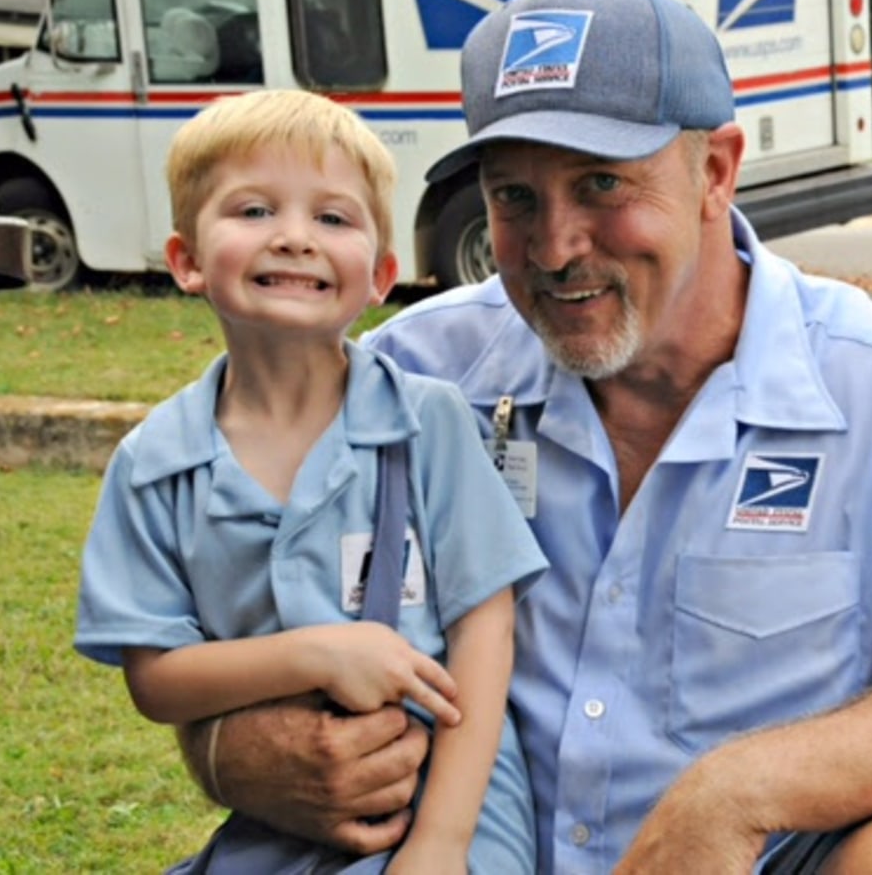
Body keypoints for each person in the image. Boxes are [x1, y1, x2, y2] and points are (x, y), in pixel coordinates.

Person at [183, 0, 872, 873]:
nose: (554, 247)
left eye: (600, 186)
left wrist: (737, 793)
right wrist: (237, 751)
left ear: (715, 171)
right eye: (515, 198)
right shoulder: (410, 377)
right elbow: (222, 623)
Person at [73, 89, 547, 873]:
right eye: (254, 210)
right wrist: (319, 655)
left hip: (442, 805)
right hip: (280, 817)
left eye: (332, 219)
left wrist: (440, 845)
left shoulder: (428, 424)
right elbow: (156, 677)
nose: (294, 238)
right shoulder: (156, 463)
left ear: (381, 276)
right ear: (186, 260)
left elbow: (485, 630)